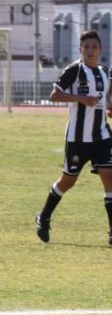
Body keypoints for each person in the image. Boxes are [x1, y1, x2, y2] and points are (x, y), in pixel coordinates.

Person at [35, 29, 112, 245]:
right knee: (68, 181)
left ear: (100, 49)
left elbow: (104, 101)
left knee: (109, 175)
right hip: (78, 140)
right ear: (80, 49)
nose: (90, 50)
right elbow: (54, 94)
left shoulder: (105, 72)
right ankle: (44, 216)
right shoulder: (74, 70)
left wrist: (109, 107)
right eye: (86, 47)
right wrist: (80, 98)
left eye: (94, 47)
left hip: (102, 137)